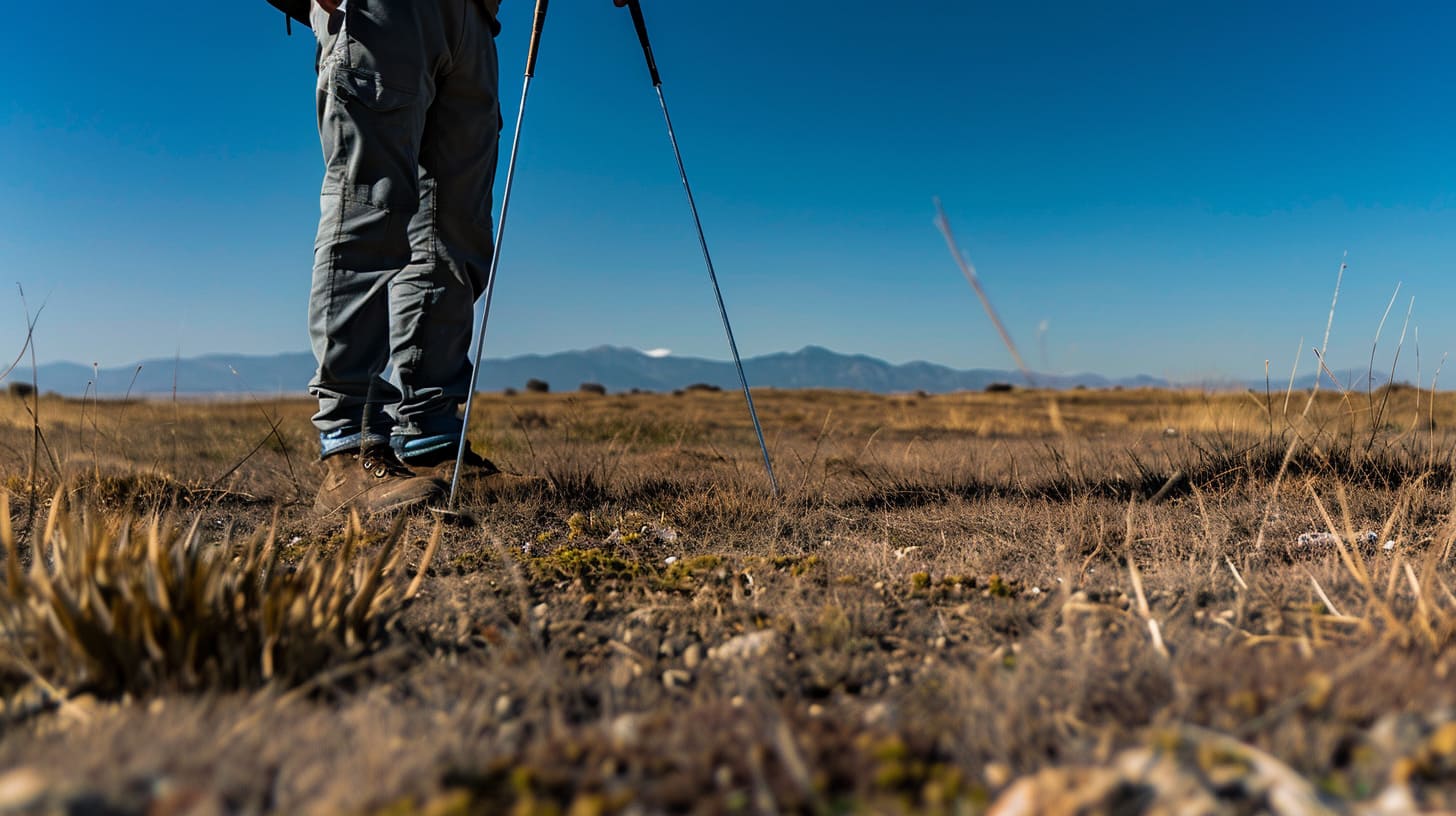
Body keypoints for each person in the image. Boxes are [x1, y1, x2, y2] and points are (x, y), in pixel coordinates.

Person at [268, 0, 521, 515]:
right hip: (381, 9)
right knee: (368, 207)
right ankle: (350, 450)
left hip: (473, 19)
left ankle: (432, 442)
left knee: (452, 232)